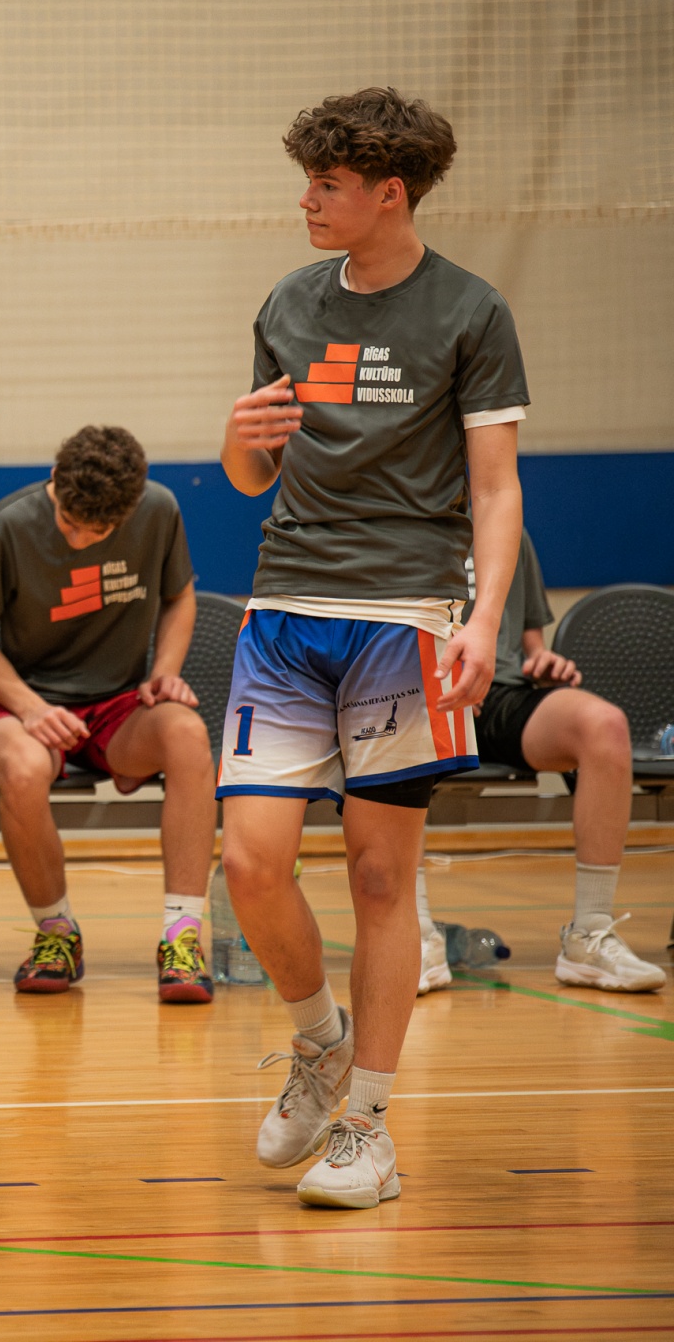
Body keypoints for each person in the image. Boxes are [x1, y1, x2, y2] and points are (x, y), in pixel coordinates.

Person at [219, 87, 527, 1210]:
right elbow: (253, 473)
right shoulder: (288, 304)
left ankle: (369, 1129)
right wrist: (236, 442)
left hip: (407, 614)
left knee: (380, 873)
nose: (306, 201)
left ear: (391, 194)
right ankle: (320, 1043)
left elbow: (495, 490)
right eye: (307, 181)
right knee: (250, 863)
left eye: (329, 185)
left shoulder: (471, 311)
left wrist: (482, 619)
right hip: (285, 607)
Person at [0, 426, 216, 1002]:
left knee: (188, 735)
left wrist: (164, 672)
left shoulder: (160, 510)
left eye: (94, 533)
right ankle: (56, 933)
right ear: (55, 482)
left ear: (129, 511)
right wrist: (30, 708)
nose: (77, 539)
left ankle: (181, 938)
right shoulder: (6, 526)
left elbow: (179, 596)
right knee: (23, 768)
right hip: (23, 700)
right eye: (68, 522)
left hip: (120, 704)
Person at [416, 528, 665, 993]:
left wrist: (543, 662)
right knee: (396, 731)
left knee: (604, 726)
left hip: (500, 694)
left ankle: (589, 935)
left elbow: (531, 644)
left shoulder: (504, 524)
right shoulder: (390, 515)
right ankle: (414, 936)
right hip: (416, 690)